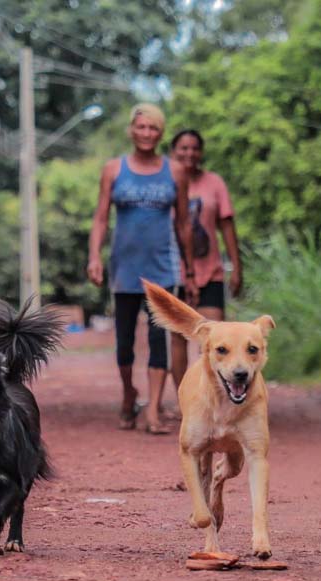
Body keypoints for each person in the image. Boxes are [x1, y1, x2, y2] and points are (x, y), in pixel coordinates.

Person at [87, 103, 197, 435]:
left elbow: (183, 224)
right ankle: (127, 394)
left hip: (163, 269)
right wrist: (94, 256)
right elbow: (102, 218)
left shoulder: (175, 171)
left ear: (161, 133)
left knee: (159, 338)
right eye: (141, 127)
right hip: (124, 269)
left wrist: (189, 268)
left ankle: (152, 410)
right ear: (131, 131)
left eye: (153, 128)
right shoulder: (113, 169)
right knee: (123, 343)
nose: (147, 134)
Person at [167, 129, 242, 389]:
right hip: (174, 271)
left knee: (215, 338)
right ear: (172, 151)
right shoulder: (166, 181)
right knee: (178, 338)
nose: (189, 153)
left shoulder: (214, 183)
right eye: (183, 148)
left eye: (194, 148)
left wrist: (237, 266)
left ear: (201, 152)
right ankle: (183, 399)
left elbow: (227, 226)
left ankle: (213, 396)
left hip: (210, 272)